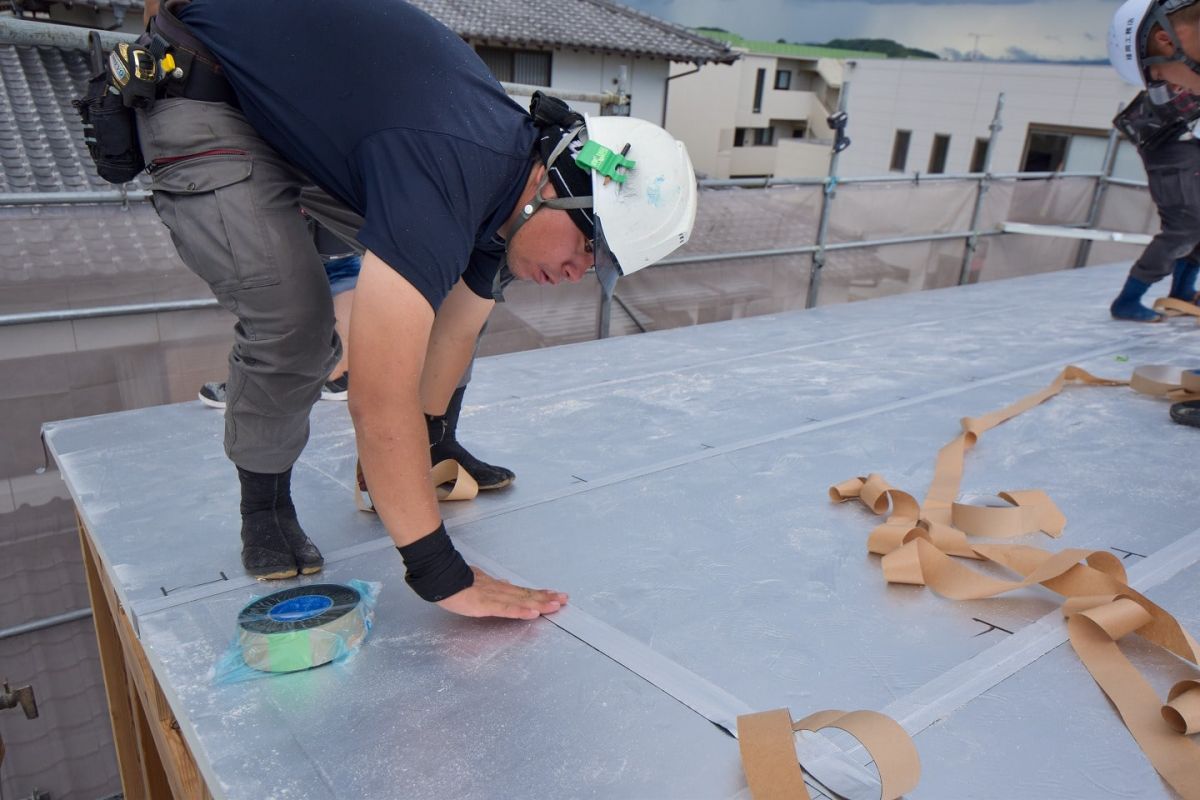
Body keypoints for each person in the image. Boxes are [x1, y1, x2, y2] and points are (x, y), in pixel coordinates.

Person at [133, 0, 697, 620]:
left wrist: (417, 451)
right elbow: (377, 396)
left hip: (304, 116)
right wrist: (439, 570)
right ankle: (263, 502)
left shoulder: (506, 178)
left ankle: (425, 450)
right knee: (293, 319)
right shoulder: (451, 171)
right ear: (556, 182)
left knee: (464, 279)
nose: (577, 273)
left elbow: (457, 324)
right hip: (206, 90)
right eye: (591, 247)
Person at [1108, 0, 1200, 320]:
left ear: (1166, 39)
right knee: (1188, 222)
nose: (1171, 87)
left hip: (1181, 143)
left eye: (1157, 76)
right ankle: (1130, 299)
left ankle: (1181, 291)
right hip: (1168, 146)